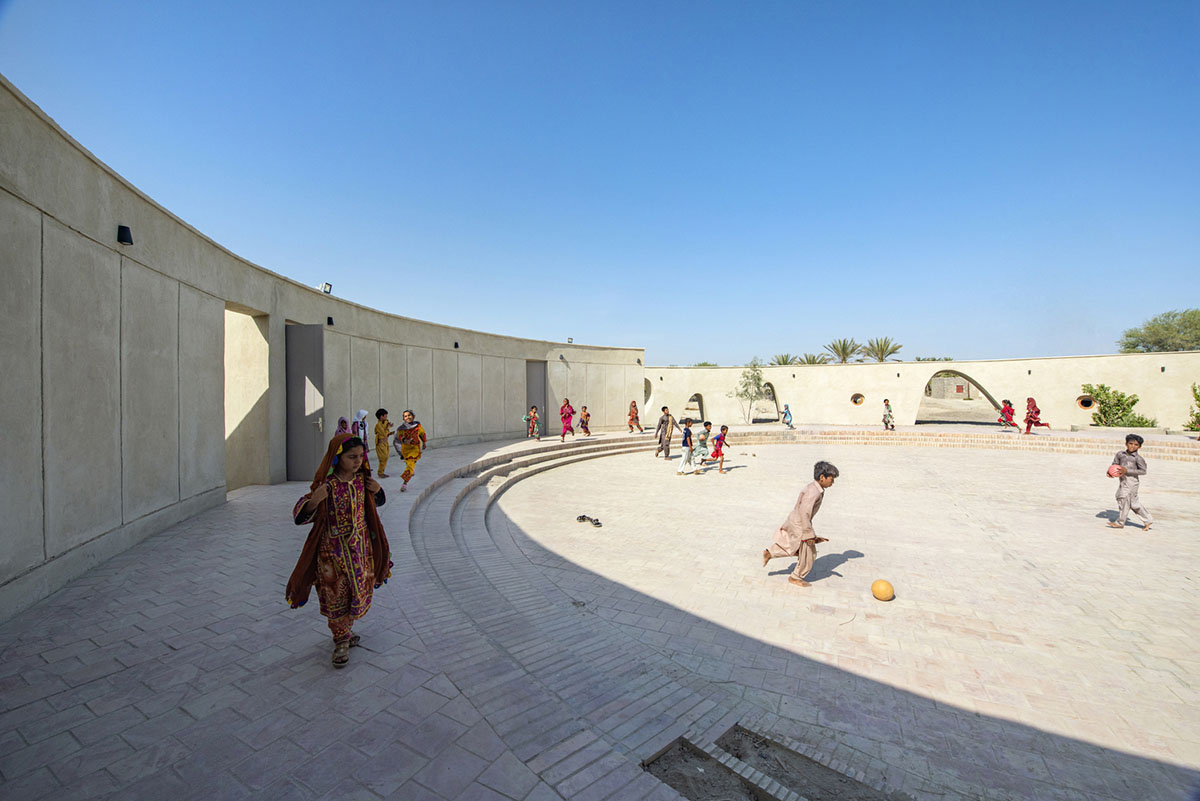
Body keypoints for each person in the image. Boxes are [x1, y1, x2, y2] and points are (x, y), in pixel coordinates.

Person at [287, 434, 392, 668]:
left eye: (360, 456)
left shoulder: (363, 481)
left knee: (357, 592)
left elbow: (376, 505)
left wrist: (378, 491)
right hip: (331, 554)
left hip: (360, 550)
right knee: (336, 596)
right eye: (351, 457)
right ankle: (341, 639)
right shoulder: (327, 485)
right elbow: (299, 516)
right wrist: (314, 501)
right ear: (338, 458)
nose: (357, 461)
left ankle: (346, 629)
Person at [762, 461, 838, 587]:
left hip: (796, 520)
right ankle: (795, 577)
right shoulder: (814, 492)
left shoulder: (813, 487)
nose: (833, 482)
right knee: (809, 553)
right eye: (832, 479)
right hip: (801, 524)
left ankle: (770, 553)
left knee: (793, 546)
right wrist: (809, 534)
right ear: (822, 477)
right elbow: (805, 512)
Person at [1108, 434, 1153, 531]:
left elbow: (1143, 471)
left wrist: (1127, 471)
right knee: (1131, 503)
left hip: (1132, 482)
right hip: (1123, 480)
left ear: (1139, 447)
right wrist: (1110, 471)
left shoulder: (1138, 458)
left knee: (1123, 499)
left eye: (1136, 445)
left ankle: (1120, 522)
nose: (1132, 446)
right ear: (1126, 443)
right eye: (1130, 443)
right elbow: (1115, 463)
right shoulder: (1120, 454)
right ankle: (1148, 520)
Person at [393, 410, 427, 492]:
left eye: (409, 415)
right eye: (405, 416)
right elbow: (400, 437)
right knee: (410, 463)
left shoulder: (418, 426)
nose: (408, 417)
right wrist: (405, 441)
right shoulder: (401, 429)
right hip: (406, 450)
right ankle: (411, 469)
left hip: (415, 449)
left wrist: (424, 442)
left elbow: (422, 434)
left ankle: (405, 483)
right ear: (403, 418)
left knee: (410, 466)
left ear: (413, 416)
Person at [373, 408, 394, 477]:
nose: (386, 417)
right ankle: (380, 472)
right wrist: (388, 427)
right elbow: (384, 433)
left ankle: (382, 471)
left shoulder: (386, 422)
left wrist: (390, 433)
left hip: (385, 443)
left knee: (386, 457)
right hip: (380, 444)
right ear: (381, 416)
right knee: (383, 458)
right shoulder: (378, 425)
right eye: (385, 416)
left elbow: (386, 433)